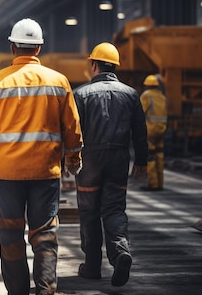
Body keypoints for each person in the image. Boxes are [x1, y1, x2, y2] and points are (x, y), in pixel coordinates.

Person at [0, 18, 82, 295]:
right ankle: (45, 290)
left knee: (10, 235)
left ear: (11, 47)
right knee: (44, 236)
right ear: (39, 49)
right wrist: (73, 160)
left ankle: (17, 292)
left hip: (9, 175)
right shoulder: (59, 81)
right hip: (46, 171)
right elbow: (72, 127)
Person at [72, 42, 148, 287]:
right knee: (114, 209)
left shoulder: (81, 94)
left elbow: (74, 132)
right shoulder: (131, 94)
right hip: (118, 158)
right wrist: (142, 161)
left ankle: (92, 267)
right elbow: (140, 132)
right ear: (115, 66)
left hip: (89, 160)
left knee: (89, 212)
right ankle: (119, 253)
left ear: (93, 65)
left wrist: (70, 158)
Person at [139, 74, 168, 191]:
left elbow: (140, 112)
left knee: (150, 157)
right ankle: (160, 183)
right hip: (162, 130)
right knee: (159, 156)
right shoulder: (162, 97)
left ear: (146, 86)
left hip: (150, 131)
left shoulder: (146, 96)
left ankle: (153, 184)